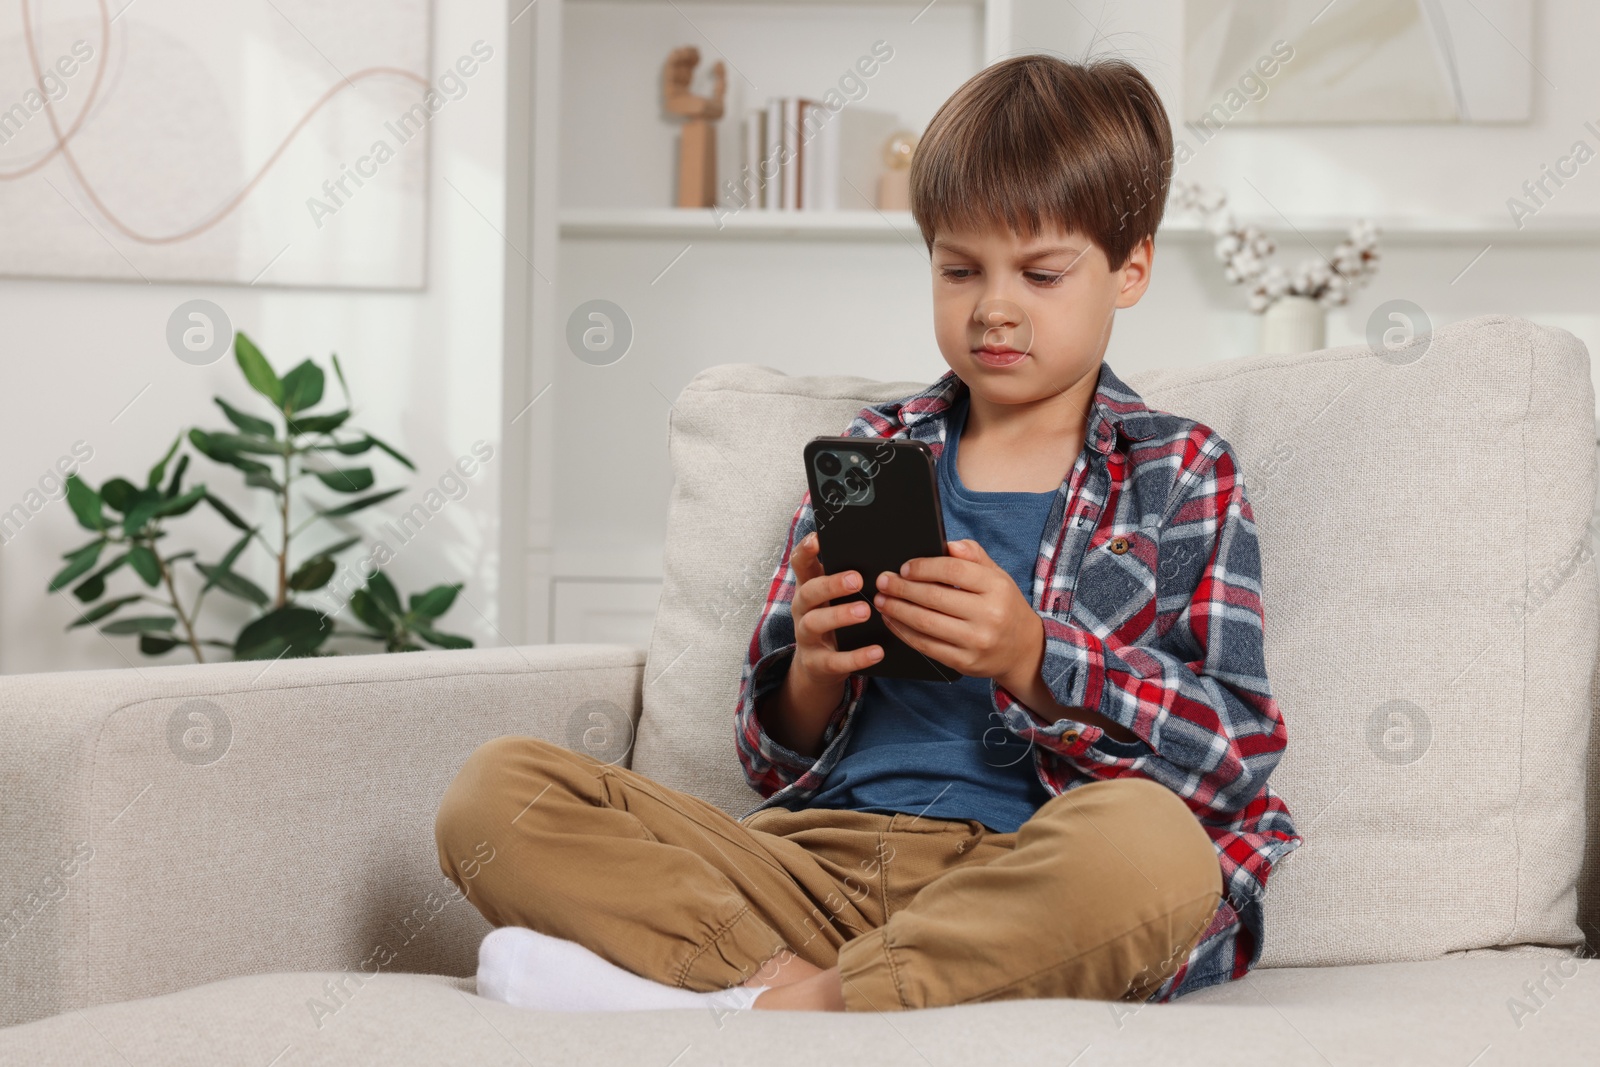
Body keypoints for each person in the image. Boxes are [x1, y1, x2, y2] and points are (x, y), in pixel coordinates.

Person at [434, 52, 1301, 1014]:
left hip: (1026, 876)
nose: (994, 308)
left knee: (1156, 848)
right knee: (494, 792)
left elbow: (1235, 750)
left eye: (1041, 273)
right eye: (958, 269)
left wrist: (1033, 655)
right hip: (814, 865)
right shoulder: (872, 451)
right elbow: (768, 759)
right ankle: (813, 996)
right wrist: (812, 666)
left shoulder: (1180, 473)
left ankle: (765, 1011)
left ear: (1129, 267)